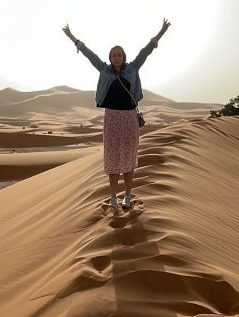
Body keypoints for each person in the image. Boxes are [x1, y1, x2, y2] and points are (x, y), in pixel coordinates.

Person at [63, 19, 171, 211]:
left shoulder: (133, 68)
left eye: (119, 54)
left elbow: (146, 51)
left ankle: (128, 196)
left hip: (129, 118)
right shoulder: (104, 69)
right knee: (112, 160)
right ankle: (113, 197)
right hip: (111, 118)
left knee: (129, 160)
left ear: (124, 56)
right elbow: (89, 55)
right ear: (110, 57)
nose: (116, 57)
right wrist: (72, 38)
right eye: (113, 55)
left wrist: (161, 33)